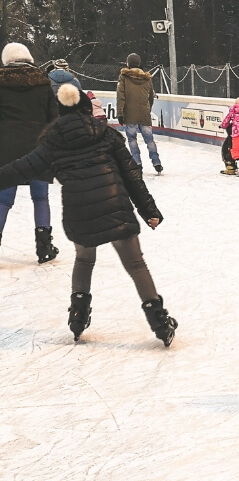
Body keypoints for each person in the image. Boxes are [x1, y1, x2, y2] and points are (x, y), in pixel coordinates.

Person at [0, 84, 177, 346]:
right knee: (136, 264)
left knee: (84, 260)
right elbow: (132, 176)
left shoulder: (52, 140)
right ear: (86, 109)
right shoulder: (106, 134)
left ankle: (78, 316)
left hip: (79, 210)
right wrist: (148, 210)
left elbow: (21, 168)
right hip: (114, 204)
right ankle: (159, 321)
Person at [0, 42, 60, 262]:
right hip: (38, 147)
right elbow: (54, 117)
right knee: (40, 197)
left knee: (3, 199)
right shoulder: (42, 82)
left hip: (5, 147)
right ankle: (44, 247)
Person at [117, 53, 162, 174]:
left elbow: (121, 96)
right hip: (144, 113)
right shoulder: (147, 78)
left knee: (132, 140)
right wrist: (148, 109)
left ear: (128, 63)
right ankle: (156, 162)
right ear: (139, 63)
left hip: (130, 114)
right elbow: (150, 97)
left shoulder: (124, 77)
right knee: (149, 140)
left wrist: (120, 113)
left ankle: (137, 163)